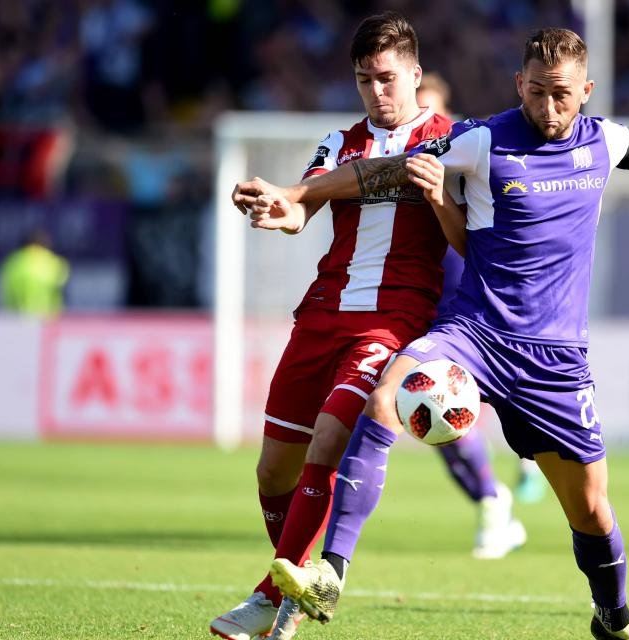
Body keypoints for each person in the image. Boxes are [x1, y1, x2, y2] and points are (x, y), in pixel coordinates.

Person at [235, 27, 629, 640]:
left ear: (586, 90)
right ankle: (331, 572)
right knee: (386, 394)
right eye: (535, 93)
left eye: (560, 94)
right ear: (517, 85)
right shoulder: (481, 139)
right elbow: (383, 171)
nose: (547, 109)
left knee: (591, 509)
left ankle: (615, 617)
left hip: (555, 359)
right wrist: (297, 192)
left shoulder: (602, 141)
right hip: (474, 333)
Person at [210, 13, 523, 640]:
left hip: (392, 321)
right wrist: (281, 213)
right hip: (321, 314)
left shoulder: (455, 141)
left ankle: (273, 596)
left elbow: (466, 236)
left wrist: (434, 200)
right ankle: (294, 587)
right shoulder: (340, 141)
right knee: (274, 471)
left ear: (414, 73)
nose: (376, 92)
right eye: (363, 80)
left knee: (328, 444)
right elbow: (306, 207)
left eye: (386, 78)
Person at [419, 72, 549, 505]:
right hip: (427, 291)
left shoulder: (467, 146)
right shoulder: (415, 153)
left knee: (461, 395)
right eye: (420, 105)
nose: (427, 114)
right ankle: (493, 499)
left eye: (433, 106)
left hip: (475, 290)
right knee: (432, 408)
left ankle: (520, 467)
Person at [0, 229, 69, 317]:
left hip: (16, 318)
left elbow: (6, 290)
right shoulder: (54, 262)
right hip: (46, 319)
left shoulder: (12, 261)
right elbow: (60, 290)